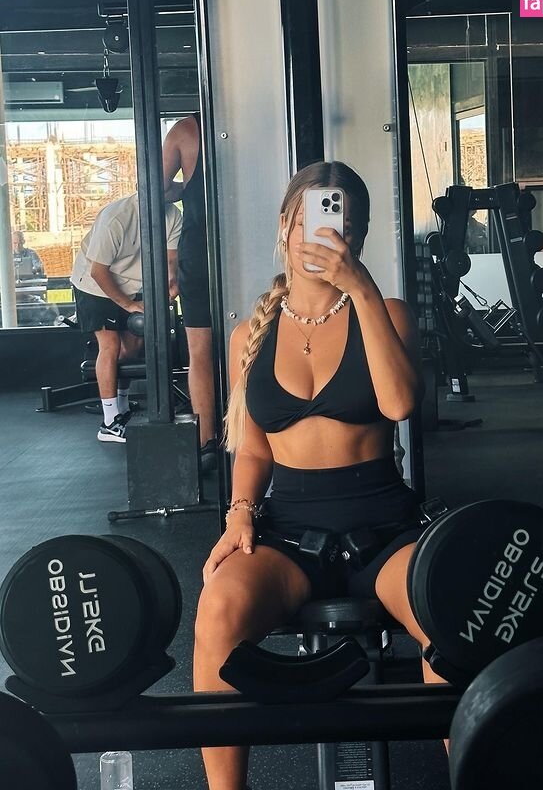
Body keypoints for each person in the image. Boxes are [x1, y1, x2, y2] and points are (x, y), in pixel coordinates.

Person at [193, 161, 442, 790]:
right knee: (217, 607)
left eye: (346, 229)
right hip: (289, 531)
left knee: (445, 609)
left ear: (359, 238)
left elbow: (400, 405)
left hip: (385, 526)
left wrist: (361, 291)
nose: (330, 239)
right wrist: (239, 514)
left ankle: (470, 768)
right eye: (315, 223)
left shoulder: (388, 313)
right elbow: (254, 450)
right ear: (286, 226)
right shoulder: (250, 335)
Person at [70, 192, 182, 443]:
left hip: (133, 285)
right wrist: (128, 305)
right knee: (111, 345)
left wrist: (171, 285)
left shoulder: (173, 215)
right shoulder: (116, 218)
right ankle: (109, 422)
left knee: (132, 347)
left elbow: (170, 259)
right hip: (94, 285)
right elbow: (98, 271)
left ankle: (121, 407)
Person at [162, 114, 218, 473]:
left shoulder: (186, 130)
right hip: (255, 240)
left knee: (200, 351)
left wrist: (185, 190)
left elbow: (156, 189)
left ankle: (208, 441)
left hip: (201, 248)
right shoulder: (267, 114)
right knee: (260, 339)